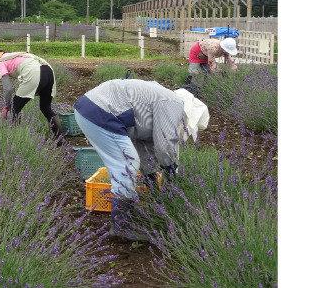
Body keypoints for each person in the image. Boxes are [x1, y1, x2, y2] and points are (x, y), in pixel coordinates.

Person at [73, 79, 209, 239]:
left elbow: (148, 148)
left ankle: (125, 217)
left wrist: (152, 183)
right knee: (127, 164)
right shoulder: (173, 103)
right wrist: (171, 172)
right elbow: (165, 143)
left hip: (90, 108)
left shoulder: (162, 104)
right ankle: (120, 227)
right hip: (100, 111)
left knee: (128, 163)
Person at [0, 49, 63, 142]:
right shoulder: (12, 55)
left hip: (34, 72)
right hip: (48, 71)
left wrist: (7, 106)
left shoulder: (0, 63)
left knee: (14, 109)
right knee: (46, 108)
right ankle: (60, 140)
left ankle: (15, 141)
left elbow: (8, 89)